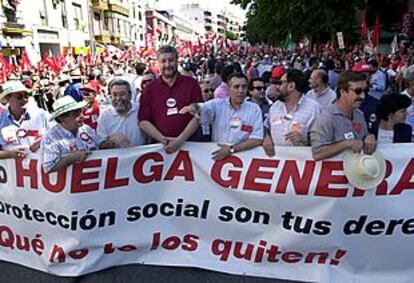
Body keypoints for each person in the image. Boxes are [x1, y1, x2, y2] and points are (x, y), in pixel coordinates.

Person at [180, 73, 263, 160]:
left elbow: (257, 139)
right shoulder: (217, 105)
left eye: (244, 87)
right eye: (236, 87)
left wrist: (231, 149)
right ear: (228, 89)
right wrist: (193, 107)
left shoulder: (254, 109)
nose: (240, 90)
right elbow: (201, 107)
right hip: (217, 157)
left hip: (244, 160)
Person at [139, 45, 202, 153]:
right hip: (161, 149)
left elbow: (199, 115)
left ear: (177, 61)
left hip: (190, 147)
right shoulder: (150, 88)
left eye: (171, 60)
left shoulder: (191, 84)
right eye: (163, 61)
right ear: (158, 63)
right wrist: (164, 141)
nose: (167, 65)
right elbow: (143, 121)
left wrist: (179, 140)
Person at [42, 96, 128, 173]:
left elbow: (100, 145)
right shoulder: (52, 137)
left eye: (81, 112)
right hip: (74, 188)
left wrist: (112, 141)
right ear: (62, 119)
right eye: (76, 114)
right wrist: (72, 158)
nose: (82, 116)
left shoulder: (85, 128)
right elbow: (48, 167)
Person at [310, 71, 377, 161]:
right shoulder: (326, 118)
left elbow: (363, 136)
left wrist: (369, 137)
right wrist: (346, 144)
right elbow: (317, 153)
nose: (363, 96)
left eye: (365, 91)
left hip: (357, 171)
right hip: (333, 173)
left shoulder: (358, 114)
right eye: (358, 91)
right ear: (342, 92)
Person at [263, 69, 321, 156]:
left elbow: (324, 139)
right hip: (277, 162)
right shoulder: (275, 107)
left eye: (280, 83)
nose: (277, 87)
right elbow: (266, 128)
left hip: (302, 163)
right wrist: (266, 137)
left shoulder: (314, 109)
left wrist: (306, 140)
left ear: (291, 86)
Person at [0, 80, 49, 160]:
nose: (25, 99)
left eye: (26, 96)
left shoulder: (41, 115)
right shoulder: (1, 120)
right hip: (11, 170)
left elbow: (58, 133)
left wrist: (41, 142)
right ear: (8, 98)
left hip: (41, 169)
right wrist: (9, 154)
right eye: (19, 97)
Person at [97, 79, 146, 147]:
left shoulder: (141, 110)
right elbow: (100, 146)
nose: (118, 98)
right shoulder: (105, 116)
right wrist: (112, 141)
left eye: (122, 94)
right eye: (115, 95)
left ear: (130, 95)